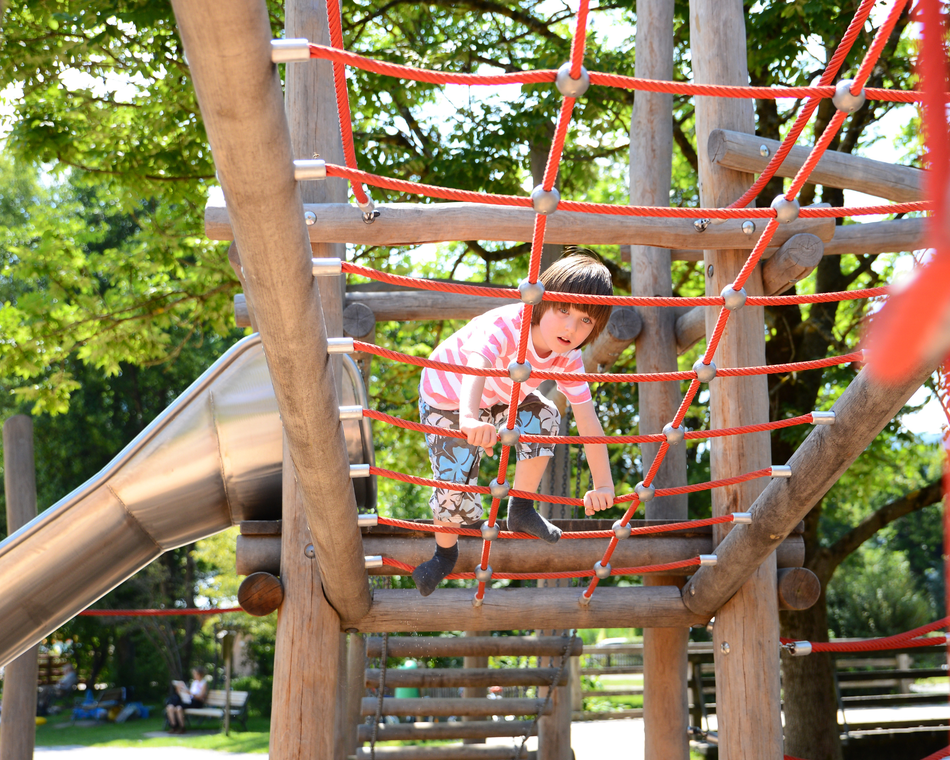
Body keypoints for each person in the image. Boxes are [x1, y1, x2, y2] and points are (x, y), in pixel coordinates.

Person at [413, 250, 616, 596]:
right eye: (563, 310)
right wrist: (468, 419)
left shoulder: (569, 358)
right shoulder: (509, 326)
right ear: (542, 303)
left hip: (503, 398)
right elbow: (475, 368)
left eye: (585, 321)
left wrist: (604, 485)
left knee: (547, 415)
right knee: (454, 482)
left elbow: (587, 418)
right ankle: (444, 553)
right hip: (450, 398)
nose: (570, 327)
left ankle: (520, 506)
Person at [165, 666, 209, 733]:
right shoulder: (194, 682)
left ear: (200, 674)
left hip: (197, 702)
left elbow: (200, 697)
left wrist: (189, 693)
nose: (194, 675)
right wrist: (181, 690)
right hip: (189, 700)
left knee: (179, 708)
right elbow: (190, 694)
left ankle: (182, 728)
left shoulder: (204, 683)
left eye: (195, 674)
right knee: (172, 707)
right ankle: (174, 726)